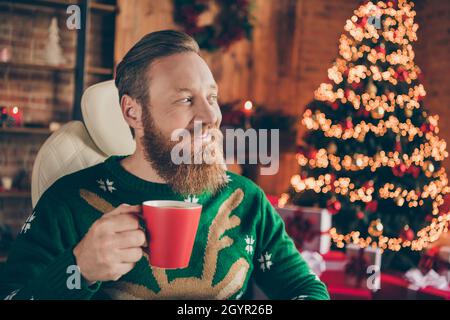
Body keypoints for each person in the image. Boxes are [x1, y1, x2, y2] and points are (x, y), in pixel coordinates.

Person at [0, 30, 329, 300]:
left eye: (211, 98)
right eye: (186, 100)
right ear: (133, 112)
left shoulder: (246, 200)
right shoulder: (68, 202)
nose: (211, 116)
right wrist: (78, 269)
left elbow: (307, 290)